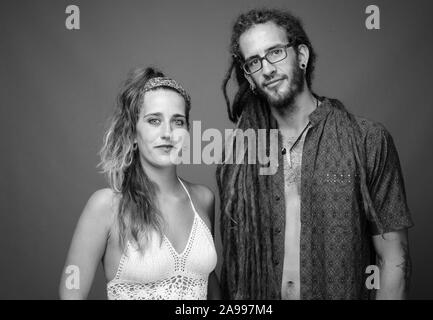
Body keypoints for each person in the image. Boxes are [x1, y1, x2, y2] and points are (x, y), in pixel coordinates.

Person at [217, 8, 413, 300]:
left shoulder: (367, 140)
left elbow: (393, 259)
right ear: (249, 75)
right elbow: (232, 266)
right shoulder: (241, 153)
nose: (267, 69)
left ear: (302, 56)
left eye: (275, 52)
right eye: (254, 62)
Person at [60, 67, 221, 300]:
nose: (167, 133)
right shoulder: (106, 206)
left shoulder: (204, 199)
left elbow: (209, 284)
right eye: (154, 120)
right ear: (133, 133)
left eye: (178, 121)